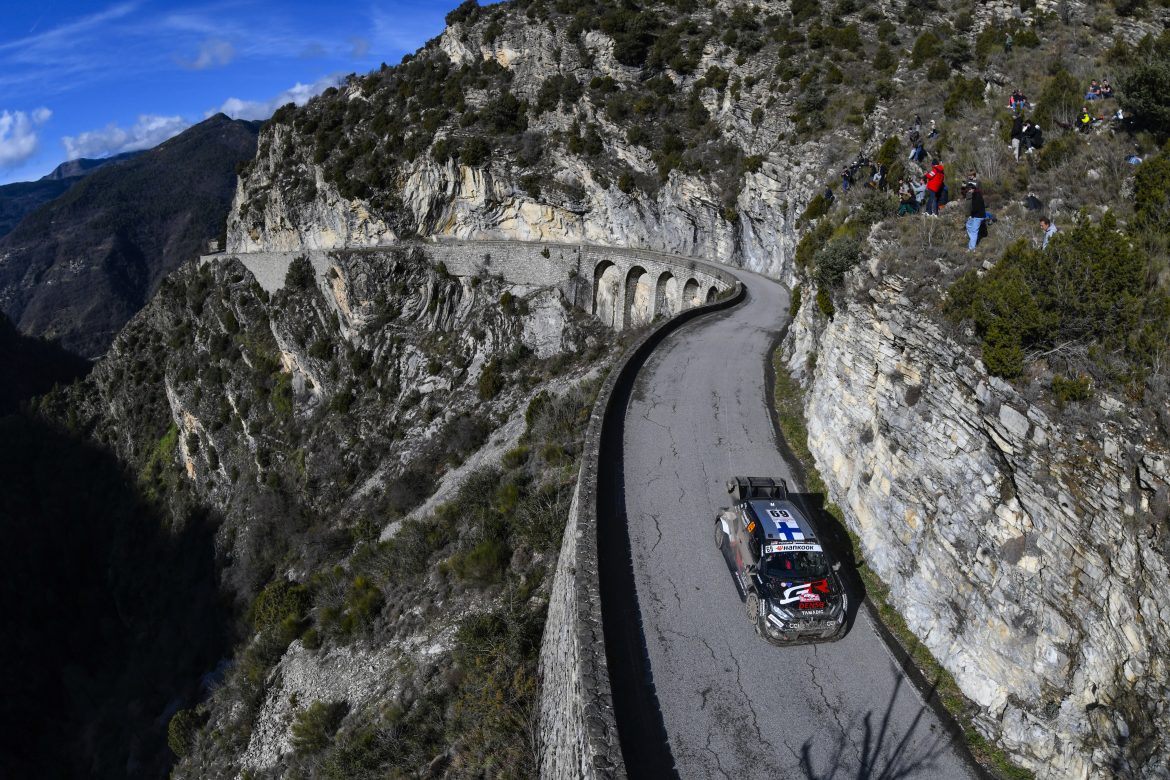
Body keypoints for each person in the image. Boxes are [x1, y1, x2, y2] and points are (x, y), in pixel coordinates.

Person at [965, 179, 986, 250]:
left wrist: (971, 215)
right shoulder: (975, 194)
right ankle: (972, 241)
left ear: (972, 189)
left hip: (978, 216)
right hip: (976, 215)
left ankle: (971, 248)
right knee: (968, 225)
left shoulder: (977, 195)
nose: (968, 191)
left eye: (969, 190)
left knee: (974, 232)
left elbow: (976, 207)